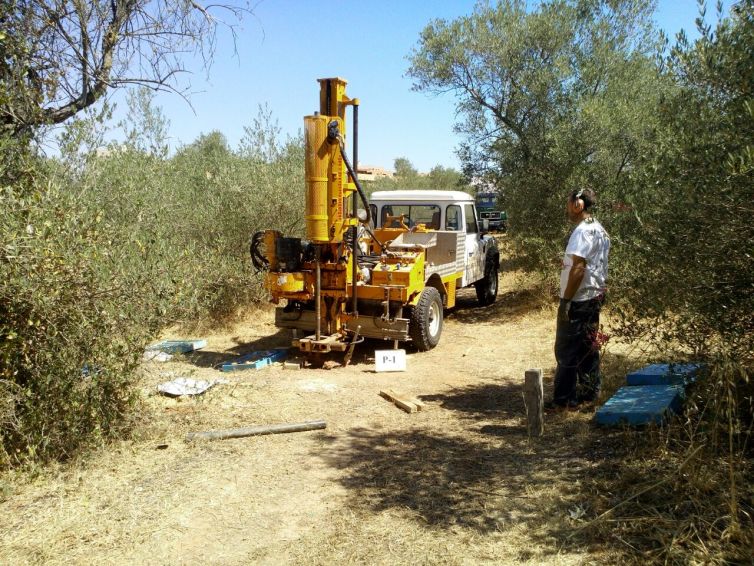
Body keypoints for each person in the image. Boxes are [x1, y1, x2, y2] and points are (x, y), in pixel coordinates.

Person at [548, 188, 610, 411]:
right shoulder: (599, 229)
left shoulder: (583, 231)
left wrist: (566, 300)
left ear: (578, 204)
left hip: (580, 299)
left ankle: (564, 400)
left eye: (568, 202)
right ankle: (589, 394)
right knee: (587, 347)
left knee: (566, 349)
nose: (567, 208)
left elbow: (579, 268)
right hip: (594, 295)